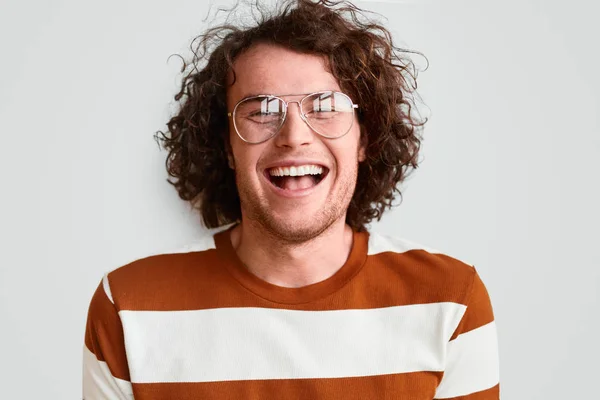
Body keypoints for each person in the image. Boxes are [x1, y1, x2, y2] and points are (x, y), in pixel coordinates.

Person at [82, 0, 500, 399]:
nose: (294, 135)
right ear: (226, 146)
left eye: (326, 106)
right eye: (262, 109)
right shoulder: (129, 308)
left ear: (364, 137)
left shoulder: (450, 302)